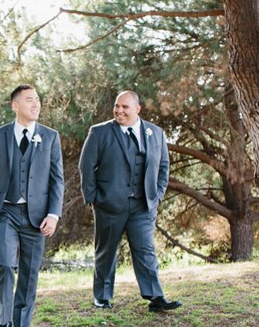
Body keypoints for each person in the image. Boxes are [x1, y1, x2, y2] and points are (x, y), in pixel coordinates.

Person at [78, 90, 182, 312]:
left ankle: (155, 297)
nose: (119, 110)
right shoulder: (99, 132)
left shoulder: (156, 133)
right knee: (106, 251)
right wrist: (93, 198)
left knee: (146, 251)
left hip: (143, 206)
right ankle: (102, 297)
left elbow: (163, 167)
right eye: (117, 106)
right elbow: (86, 166)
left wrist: (158, 195)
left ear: (137, 109)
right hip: (108, 204)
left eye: (125, 107)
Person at [0, 84, 65, 327]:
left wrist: (53, 214)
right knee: (6, 263)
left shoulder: (50, 137)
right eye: (29, 100)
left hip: (37, 215)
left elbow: (57, 180)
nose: (36, 104)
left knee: (30, 270)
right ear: (15, 105)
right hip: (5, 211)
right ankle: (4, 322)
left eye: (37, 100)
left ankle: (23, 325)